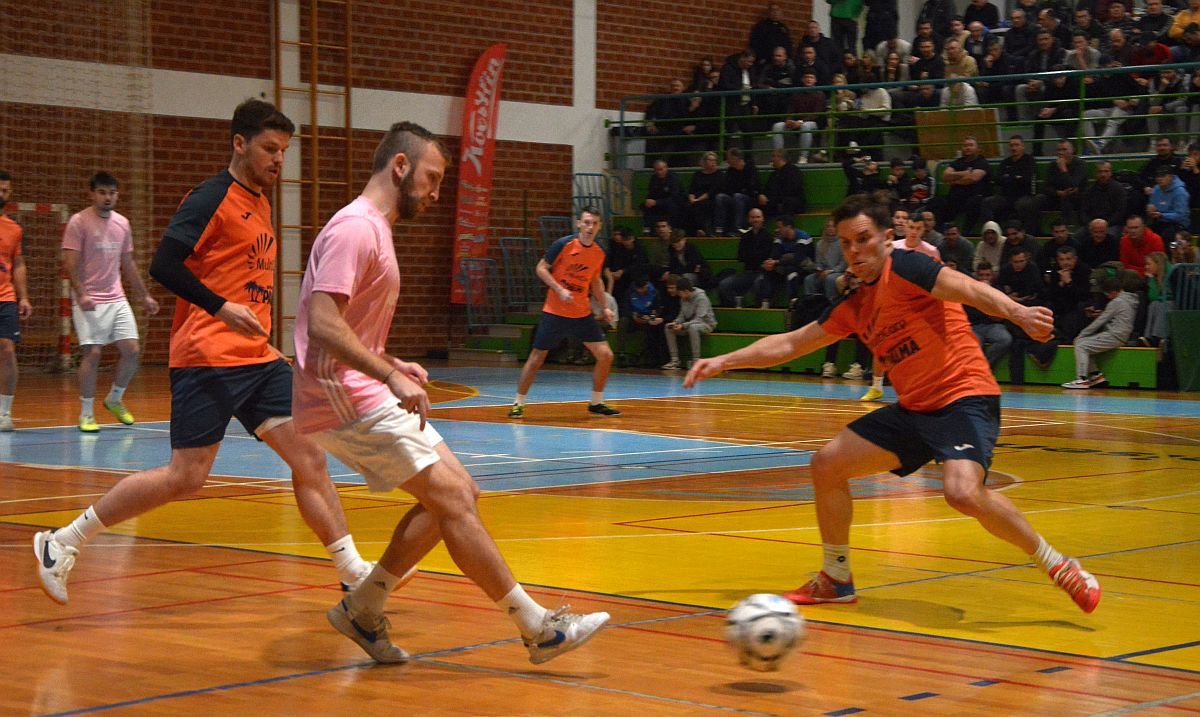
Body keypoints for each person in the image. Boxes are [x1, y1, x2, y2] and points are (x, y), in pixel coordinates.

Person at [683, 192, 1101, 614]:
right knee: (827, 465)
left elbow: (967, 288)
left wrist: (1017, 313)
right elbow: (793, 343)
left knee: (961, 493)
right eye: (846, 243)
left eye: (863, 239)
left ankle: (1057, 564)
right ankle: (836, 578)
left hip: (963, 397)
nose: (854, 251)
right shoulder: (856, 305)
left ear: (887, 238)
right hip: (915, 410)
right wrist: (723, 361)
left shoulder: (907, 267)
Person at [289, 121, 608, 665]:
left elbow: (348, 326)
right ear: (400, 166)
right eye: (433, 178)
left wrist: (392, 363)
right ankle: (537, 628)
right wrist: (387, 375)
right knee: (453, 498)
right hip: (338, 394)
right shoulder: (356, 228)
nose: (437, 193)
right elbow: (321, 322)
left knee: (459, 496)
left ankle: (363, 608)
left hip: (358, 385)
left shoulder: (374, 229)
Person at [32, 99, 372, 605]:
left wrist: (262, 339)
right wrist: (220, 308)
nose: (279, 159)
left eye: (284, 150)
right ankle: (62, 541)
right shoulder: (210, 197)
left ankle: (352, 573)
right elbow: (164, 265)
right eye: (269, 148)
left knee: (310, 456)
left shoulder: (261, 202)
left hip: (256, 359)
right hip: (207, 357)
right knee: (186, 477)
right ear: (239, 143)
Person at [62, 172, 161, 433]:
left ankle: (115, 399)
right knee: (93, 353)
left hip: (116, 297)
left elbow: (127, 263)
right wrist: (81, 292)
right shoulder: (78, 222)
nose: (107, 197)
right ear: (92, 194)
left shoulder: (122, 224)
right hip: (88, 299)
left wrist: (144, 296)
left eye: (112, 193)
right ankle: (86, 413)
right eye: (102, 192)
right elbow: (70, 262)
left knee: (132, 350)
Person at [509, 206, 619, 418]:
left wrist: (604, 306)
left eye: (594, 223)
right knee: (536, 358)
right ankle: (518, 403)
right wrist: (559, 289)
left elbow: (595, 280)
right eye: (586, 222)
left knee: (606, 355)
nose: (590, 227)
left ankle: (596, 402)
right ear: (579, 223)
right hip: (555, 312)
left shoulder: (598, 253)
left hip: (581, 314)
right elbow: (541, 268)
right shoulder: (563, 245)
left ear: (599, 226)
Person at [1062, 275, 1137, 389]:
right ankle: (1095, 375)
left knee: (1081, 345)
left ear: (1112, 292)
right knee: (1085, 344)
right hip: (1121, 334)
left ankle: (1081, 379)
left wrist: (1081, 334)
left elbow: (1099, 322)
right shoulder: (1129, 299)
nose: (1107, 297)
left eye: (1107, 294)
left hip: (1115, 335)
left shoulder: (1117, 302)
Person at [0, 170, 31, 432]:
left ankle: (4, 412)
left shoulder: (14, 229)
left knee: (7, 349)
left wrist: (24, 297)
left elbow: (18, 264)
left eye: (5, 190)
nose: (2, 194)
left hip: (5, 297)